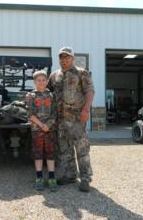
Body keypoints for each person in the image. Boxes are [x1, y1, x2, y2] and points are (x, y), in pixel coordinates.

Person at [47, 46, 95, 192]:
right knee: (64, 149)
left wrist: (86, 109)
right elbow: (47, 92)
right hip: (61, 120)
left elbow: (90, 91)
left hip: (77, 119)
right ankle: (69, 175)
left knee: (82, 149)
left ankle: (86, 178)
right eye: (62, 57)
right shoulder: (54, 75)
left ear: (72, 58)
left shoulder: (81, 73)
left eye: (67, 57)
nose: (64, 60)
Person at [25, 70, 58, 192]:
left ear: (46, 81)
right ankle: (39, 178)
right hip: (36, 129)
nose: (41, 82)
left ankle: (51, 178)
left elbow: (55, 113)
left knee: (50, 153)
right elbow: (30, 114)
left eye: (44, 80)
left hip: (50, 129)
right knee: (38, 154)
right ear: (35, 82)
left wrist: (48, 125)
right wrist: (41, 125)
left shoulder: (52, 96)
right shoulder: (31, 96)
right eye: (39, 80)